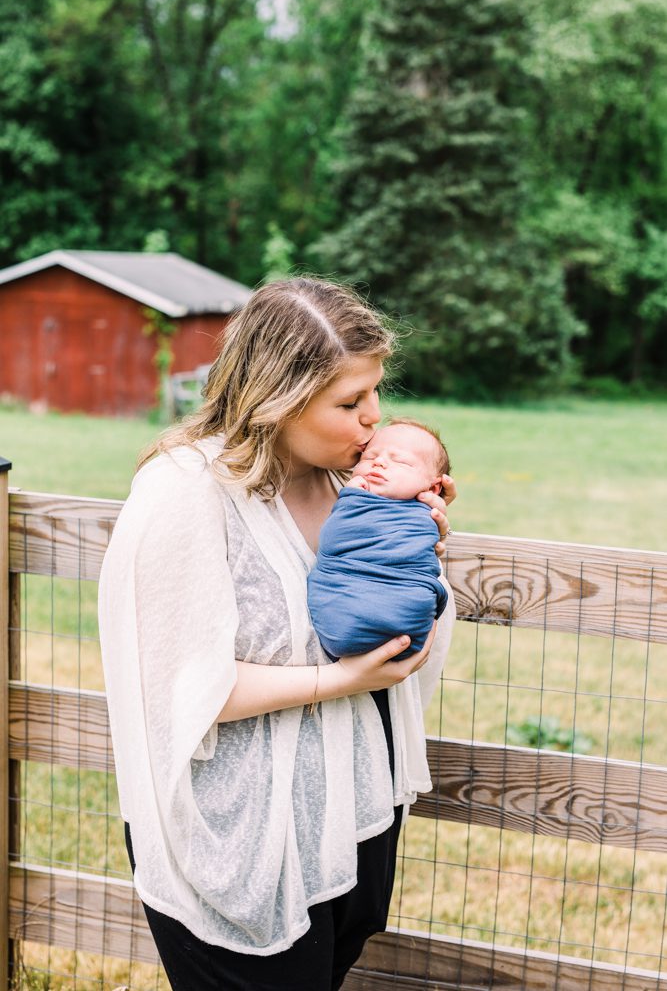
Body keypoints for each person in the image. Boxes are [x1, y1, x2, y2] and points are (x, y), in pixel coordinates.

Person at [97, 277, 456, 991]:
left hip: (347, 820)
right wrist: (338, 681)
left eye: (375, 394)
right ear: (277, 397)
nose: (373, 421)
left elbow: (403, 641)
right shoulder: (186, 494)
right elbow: (180, 686)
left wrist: (413, 553)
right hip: (236, 842)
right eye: (350, 402)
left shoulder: (350, 490)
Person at [307, 420, 451, 661]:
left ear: (434, 487)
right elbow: (334, 540)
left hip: (406, 605)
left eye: (401, 461)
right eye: (369, 456)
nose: (379, 462)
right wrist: (349, 499)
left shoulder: (428, 515)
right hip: (339, 606)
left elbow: (416, 553)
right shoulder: (349, 501)